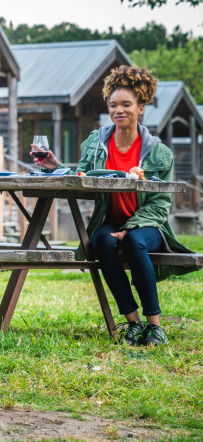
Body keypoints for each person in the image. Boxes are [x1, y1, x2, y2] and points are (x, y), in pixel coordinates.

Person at [34, 65, 196, 347]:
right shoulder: (95, 144)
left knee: (134, 240)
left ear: (141, 107)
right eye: (112, 105)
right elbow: (81, 177)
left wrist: (129, 228)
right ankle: (132, 322)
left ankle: (154, 326)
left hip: (147, 225)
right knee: (101, 241)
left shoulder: (159, 152)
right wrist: (56, 167)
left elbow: (160, 204)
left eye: (126, 104)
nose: (118, 110)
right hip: (109, 220)